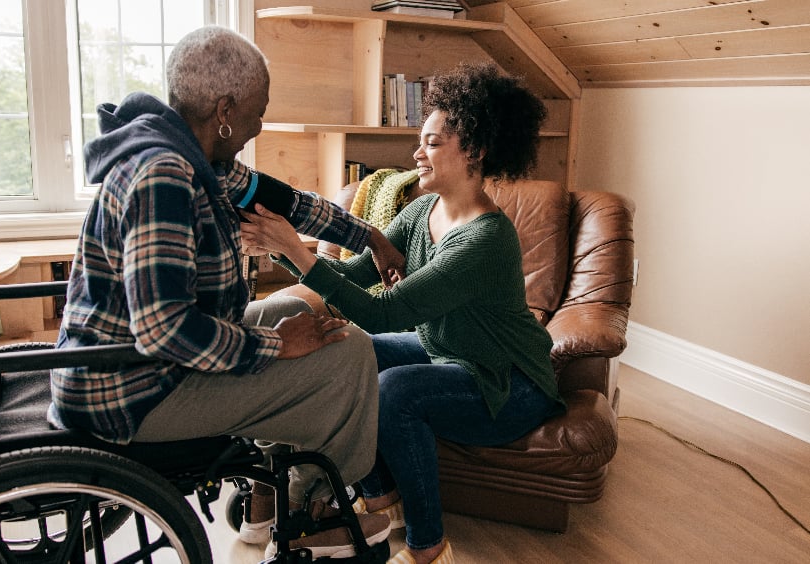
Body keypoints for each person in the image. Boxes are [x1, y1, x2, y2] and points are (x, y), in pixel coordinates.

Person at [47, 25, 397, 559]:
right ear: (226, 108)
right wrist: (278, 346)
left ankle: (264, 505)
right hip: (135, 394)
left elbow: (284, 201)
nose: (259, 125)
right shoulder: (163, 174)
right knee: (348, 352)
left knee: (292, 306)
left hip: (135, 368)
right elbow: (166, 330)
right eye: (258, 111)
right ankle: (315, 514)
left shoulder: (195, 157)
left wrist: (367, 236)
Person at [240, 62, 566, 564]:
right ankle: (379, 503)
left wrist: (299, 254)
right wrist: (282, 246)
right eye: (422, 140)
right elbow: (351, 282)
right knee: (345, 350)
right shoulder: (419, 212)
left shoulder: (485, 239)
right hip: (447, 353)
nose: (417, 152)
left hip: (508, 383)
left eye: (433, 143)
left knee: (395, 391)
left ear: (474, 151)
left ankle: (428, 546)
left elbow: (384, 312)